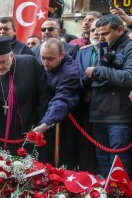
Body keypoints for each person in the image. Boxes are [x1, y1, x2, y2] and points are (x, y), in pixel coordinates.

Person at [0, 37, 50, 155]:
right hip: (4, 128)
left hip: (30, 123)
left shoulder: (30, 63)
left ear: (11, 55)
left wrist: (42, 122)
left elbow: (43, 95)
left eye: (3, 62)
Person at [85, 14, 132, 177]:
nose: (101, 39)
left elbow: (128, 77)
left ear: (120, 30)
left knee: (119, 162)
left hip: (120, 116)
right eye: (98, 35)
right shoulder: (103, 47)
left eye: (105, 34)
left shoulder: (129, 47)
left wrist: (97, 71)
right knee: (102, 159)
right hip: (99, 112)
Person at [35, 38, 80, 169]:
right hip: (44, 117)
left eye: (50, 59)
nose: (45, 62)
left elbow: (62, 99)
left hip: (63, 120)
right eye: (42, 57)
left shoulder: (70, 73)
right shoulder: (41, 62)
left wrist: (46, 122)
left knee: (62, 160)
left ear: (62, 55)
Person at [73, 19, 100, 173]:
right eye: (92, 30)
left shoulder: (113, 51)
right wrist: (86, 88)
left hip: (107, 107)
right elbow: (77, 75)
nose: (94, 33)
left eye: (98, 29)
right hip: (85, 105)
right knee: (85, 145)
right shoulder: (82, 51)